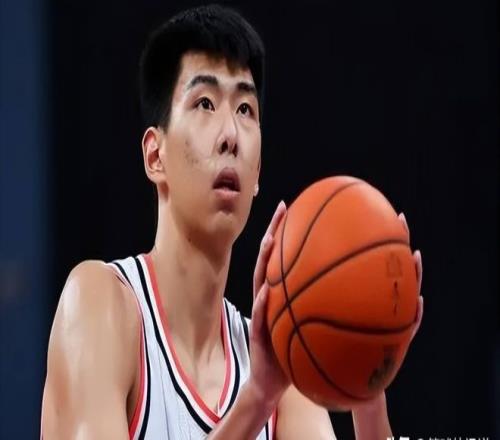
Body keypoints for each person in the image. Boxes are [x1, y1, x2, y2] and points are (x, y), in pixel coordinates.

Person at [41, 4, 423, 439]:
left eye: (245, 110)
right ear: (155, 155)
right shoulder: (98, 304)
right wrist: (256, 398)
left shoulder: (276, 365)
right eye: (205, 103)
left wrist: (369, 376)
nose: (230, 136)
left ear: (257, 173)